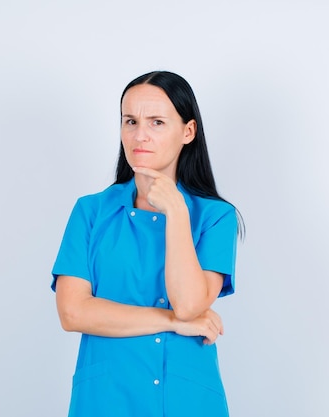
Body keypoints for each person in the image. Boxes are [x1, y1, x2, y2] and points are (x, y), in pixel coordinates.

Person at [51, 70, 242, 417]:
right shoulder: (91, 212)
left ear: (188, 131)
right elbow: (72, 312)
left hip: (187, 398)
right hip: (106, 398)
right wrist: (170, 321)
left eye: (156, 122)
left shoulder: (216, 217)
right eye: (130, 121)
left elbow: (188, 305)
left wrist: (178, 213)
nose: (140, 135)